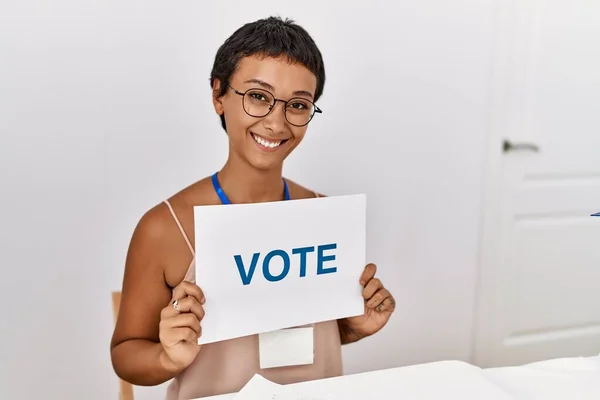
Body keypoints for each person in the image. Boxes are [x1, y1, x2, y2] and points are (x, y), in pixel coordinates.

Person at [110, 16, 396, 400]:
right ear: (218, 95)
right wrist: (167, 357)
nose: (276, 122)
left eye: (297, 105)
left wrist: (352, 328)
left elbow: (296, 343)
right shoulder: (165, 228)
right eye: (258, 96)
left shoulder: (325, 217)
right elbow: (126, 353)